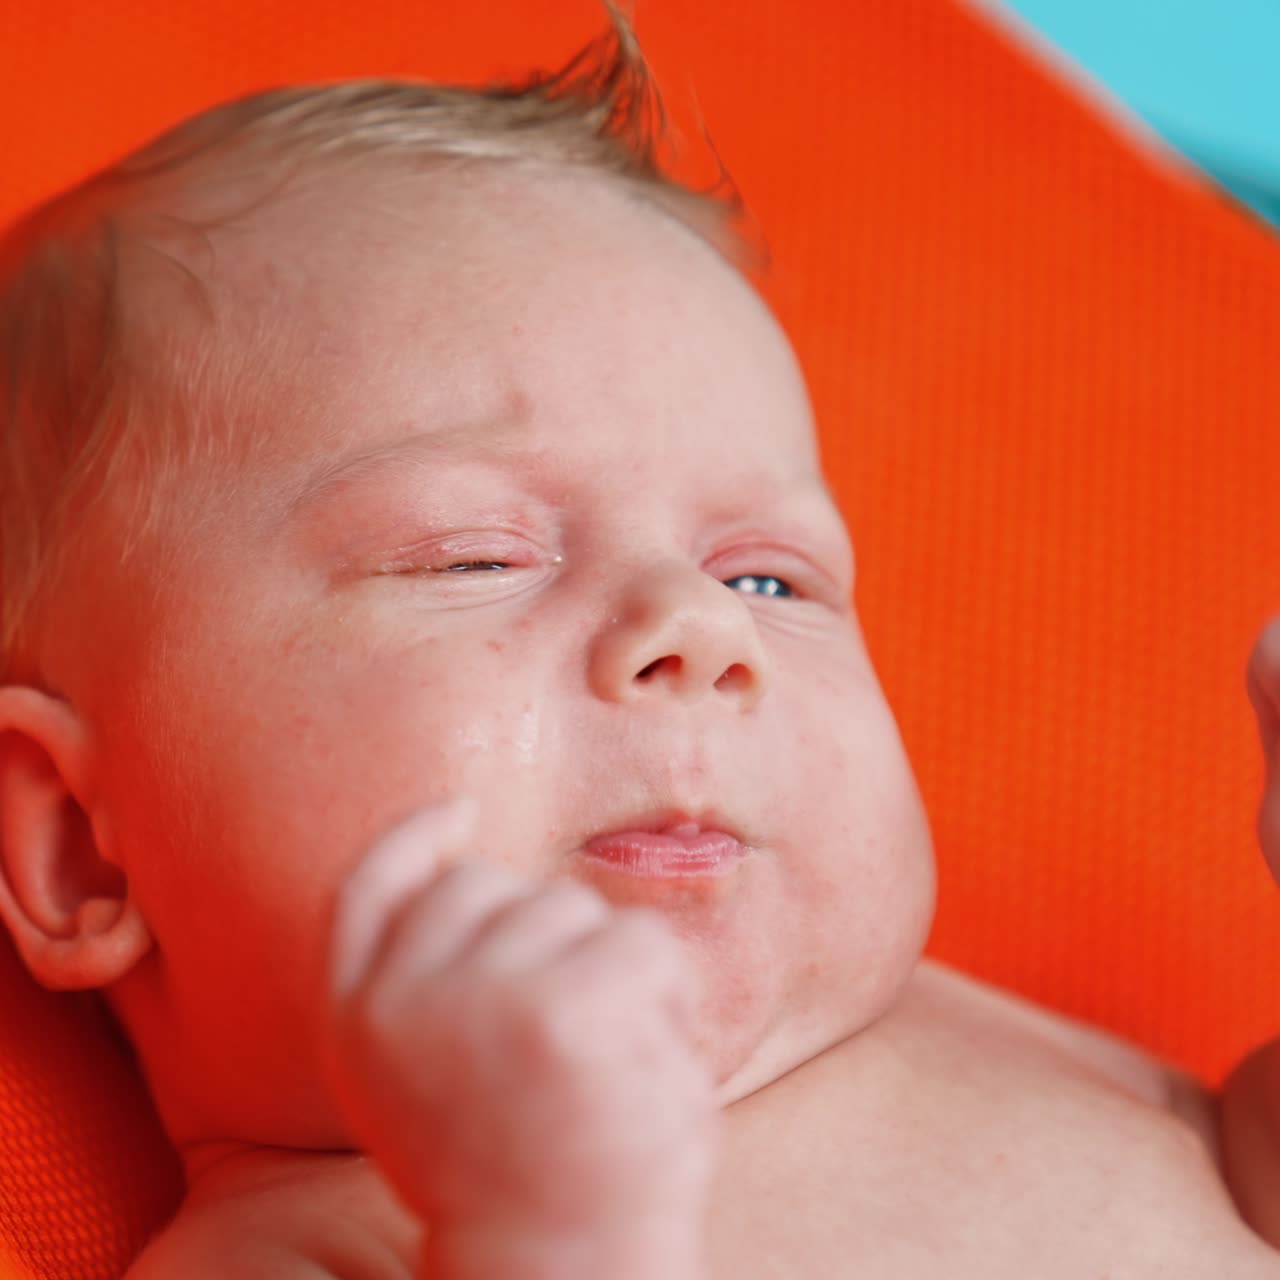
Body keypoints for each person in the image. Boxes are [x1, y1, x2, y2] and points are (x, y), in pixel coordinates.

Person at [0, 6, 1277, 1276]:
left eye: (770, 579)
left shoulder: (978, 1040)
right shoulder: (320, 1238)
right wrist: (541, 1237)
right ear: (77, 844)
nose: (699, 624)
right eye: (474, 558)